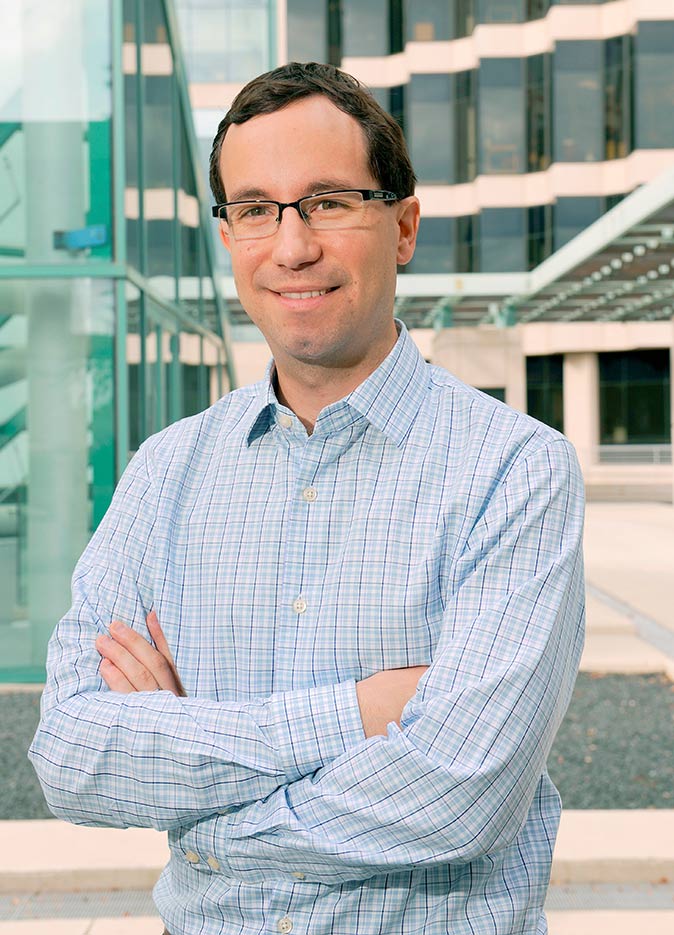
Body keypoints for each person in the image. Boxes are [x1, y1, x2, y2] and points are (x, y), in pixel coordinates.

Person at [30, 62, 585, 935]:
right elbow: (70, 755)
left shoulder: (514, 471)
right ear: (229, 234)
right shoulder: (164, 471)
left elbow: (461, 791)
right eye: (255, 209)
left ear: (401, 227)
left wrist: (199, 794)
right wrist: (360, 714)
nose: (291, 247)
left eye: (327, 201)